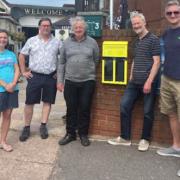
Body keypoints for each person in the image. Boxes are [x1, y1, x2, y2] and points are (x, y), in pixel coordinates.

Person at [108, 11, 160, 151]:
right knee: (124, 105)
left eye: (138, 23)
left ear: (144, 23)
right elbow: (135, 60)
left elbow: (157, 62)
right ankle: (125, 137)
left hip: (148, 82)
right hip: (134, 82)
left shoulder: (153, 39)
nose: (136, 26)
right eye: (134, 24)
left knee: (147, 111)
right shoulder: (136, 41)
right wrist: (131, 76)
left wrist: (149, 81)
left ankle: (145, 139)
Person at [57, 16, 99, 146]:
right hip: (70, 81)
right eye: (76, 27)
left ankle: (83, 134)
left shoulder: (92, 42)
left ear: (84, 28)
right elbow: (61, 62)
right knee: (71, 108)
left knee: (85, 108)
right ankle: (70, 133)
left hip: (87, 81)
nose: (78, 29)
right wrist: (60, 81)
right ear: (72, 29)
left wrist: (88, 70)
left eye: (80, 27)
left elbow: (96, 59)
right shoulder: (66, 43)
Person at [19, 18, 62, 141]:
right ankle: (26, 127)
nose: (46, 28)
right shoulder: (31, 41)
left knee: (47, 102)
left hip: (50, 76)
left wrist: (59, 72)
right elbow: (22, 55)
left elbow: (63, 58)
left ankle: (43, 125)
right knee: (29, 102)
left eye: (48, 25)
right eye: (43, 25)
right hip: (35, 76)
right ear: (39, 27)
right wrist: (23, 71)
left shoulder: (57, 42)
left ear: (51, 27)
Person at [155, 0, 180, 177]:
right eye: (169, 13)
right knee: (171, 114)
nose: (172, 15)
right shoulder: (165, 34)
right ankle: (176, 146)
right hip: (167, 79)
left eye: (176, 12)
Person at [0, 29, 20, 152]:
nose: (2, 39)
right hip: (1, 90)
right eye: (0, 37)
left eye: (4, 38)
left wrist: (12, 83)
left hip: (12, 89)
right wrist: (5, 85)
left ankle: (3, 141)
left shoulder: (11, 54)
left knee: (7, 116)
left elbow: (17, 69)